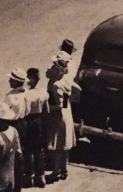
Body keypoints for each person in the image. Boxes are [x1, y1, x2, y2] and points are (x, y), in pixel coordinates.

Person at [46, 53, 80, 183]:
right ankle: (64, 170)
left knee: (58, 147)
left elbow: (60, 106)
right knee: (66, 145)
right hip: (68, 112)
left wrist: (47, 108)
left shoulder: (56, 84)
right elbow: (68, 99)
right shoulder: (67, 79)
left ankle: (55, 172)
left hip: (59, 116)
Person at [23, 68, 48, 189]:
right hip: (39, 121)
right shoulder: (43, 92)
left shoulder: (27, 93)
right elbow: (46, 110)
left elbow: (26, 111)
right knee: (38, 150)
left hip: (29, 121)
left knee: (28, 150)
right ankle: (41, 177)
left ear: (32, 79)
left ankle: (29, 177)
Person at [5, 67, 29, 191]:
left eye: (11, 79)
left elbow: (4, 113)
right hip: (23, 124)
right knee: (20, 155)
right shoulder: (26, 92)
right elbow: (29, 109)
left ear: (16, 82)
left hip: (12, 125)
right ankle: (18, 185)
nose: (9, 80)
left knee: (9, 157)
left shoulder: (10, 96)